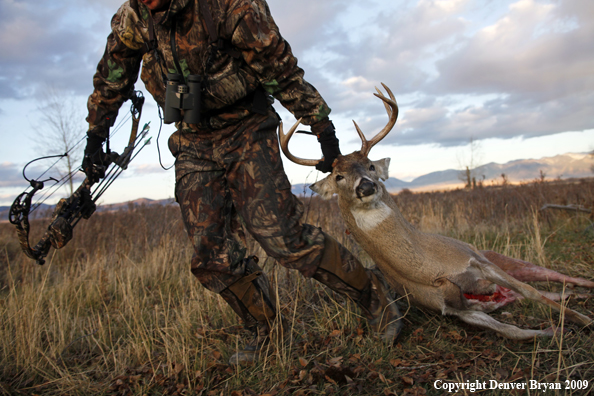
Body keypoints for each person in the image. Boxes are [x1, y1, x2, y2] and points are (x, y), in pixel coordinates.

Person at [83, 0, 402, 365]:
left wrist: (321, 126)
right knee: (210, 253)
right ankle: (265, 332)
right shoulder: (134, 16)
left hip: (246, 127)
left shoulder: (230, 5)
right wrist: (96, 134)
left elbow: (279, 66)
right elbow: (112, 74)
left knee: (282, 236)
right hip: (193, 138)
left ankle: (376, 297)